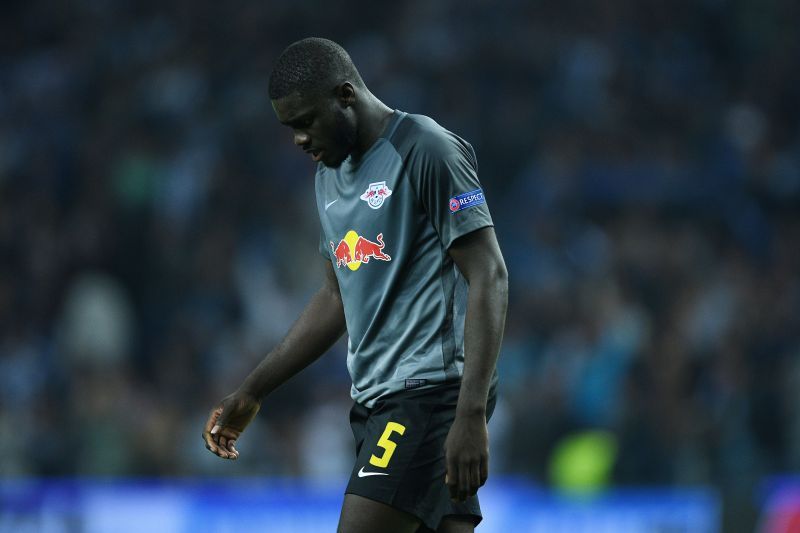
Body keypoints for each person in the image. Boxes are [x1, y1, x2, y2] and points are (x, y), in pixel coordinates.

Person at [202, 37, 508, 533]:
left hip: (429, 394)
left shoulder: (424, 148)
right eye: (289, 128)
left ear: (346, 95)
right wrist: (253, 390)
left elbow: (489, 273)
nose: (299, 140)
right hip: (375, 401)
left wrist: (470, 412)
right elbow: (335, 297)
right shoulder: (328, 176)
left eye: (304, 122)